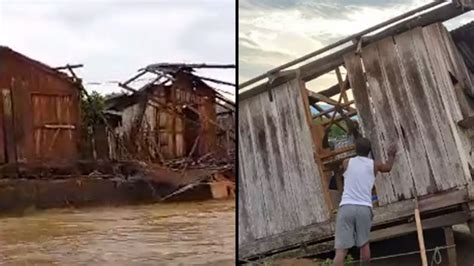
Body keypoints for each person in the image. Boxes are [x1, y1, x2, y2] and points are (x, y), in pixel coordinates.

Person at [333, 137, 397, 266]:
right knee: (364, 245)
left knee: (341, 250)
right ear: (369, 151)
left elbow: (339, 172)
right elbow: (388, 168)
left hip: (347, 206)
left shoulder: (346, 162)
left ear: (355, 149)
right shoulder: (374, 164)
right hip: (364, 208)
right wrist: (391, 155)